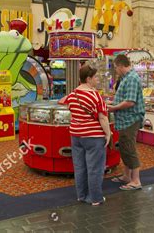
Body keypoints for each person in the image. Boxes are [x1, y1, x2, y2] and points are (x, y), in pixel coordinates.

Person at [59, 64, 111, 206]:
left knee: (80, 167)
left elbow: (66, 106)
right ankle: (95, 198)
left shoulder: (72, 94)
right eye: (95, 77)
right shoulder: (95, 96)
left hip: (76, 135)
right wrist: (108, 134)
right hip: (93, 137)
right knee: (95, 169)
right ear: (88, 79)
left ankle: (81, 196)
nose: (97, 80)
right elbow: (102, 117)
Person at [108, 54, 144, 190]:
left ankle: (136, 181)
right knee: (124, 148)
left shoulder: (132, 79)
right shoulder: (126, 78)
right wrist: (113, 103)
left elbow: (130, 102)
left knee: (129, 149)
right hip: (124, 120)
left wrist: (113, 108)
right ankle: (127, 176)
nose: (116, 70)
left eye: (116, 67)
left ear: (121, 65)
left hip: (130, 119)